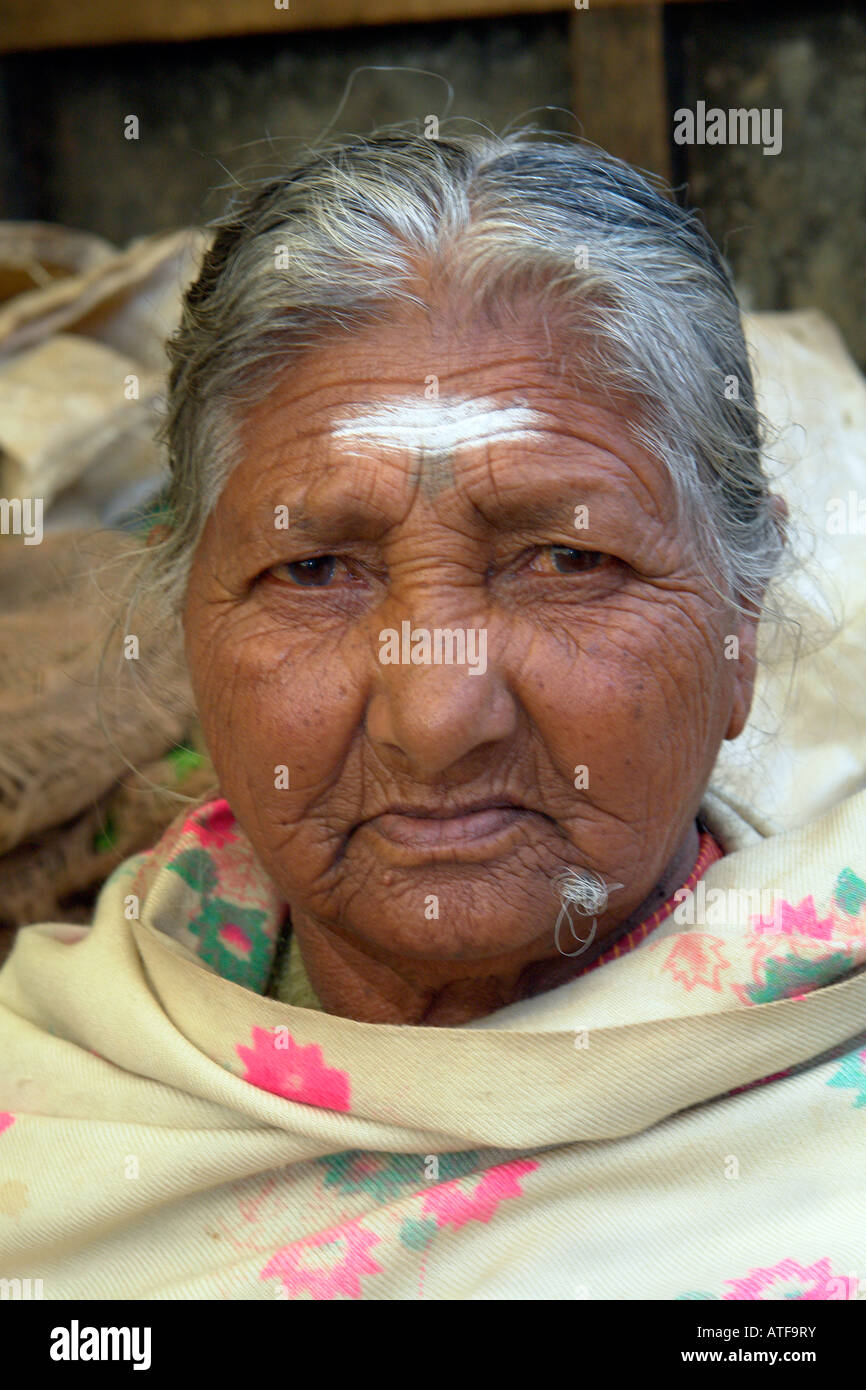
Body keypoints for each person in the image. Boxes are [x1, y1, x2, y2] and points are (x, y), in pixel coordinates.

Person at [1, 132, 864, 1301]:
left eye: (565, 558)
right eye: (313, 571)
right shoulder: (52, 1101)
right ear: (188, 628)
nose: (437, 715)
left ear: (738, 624)